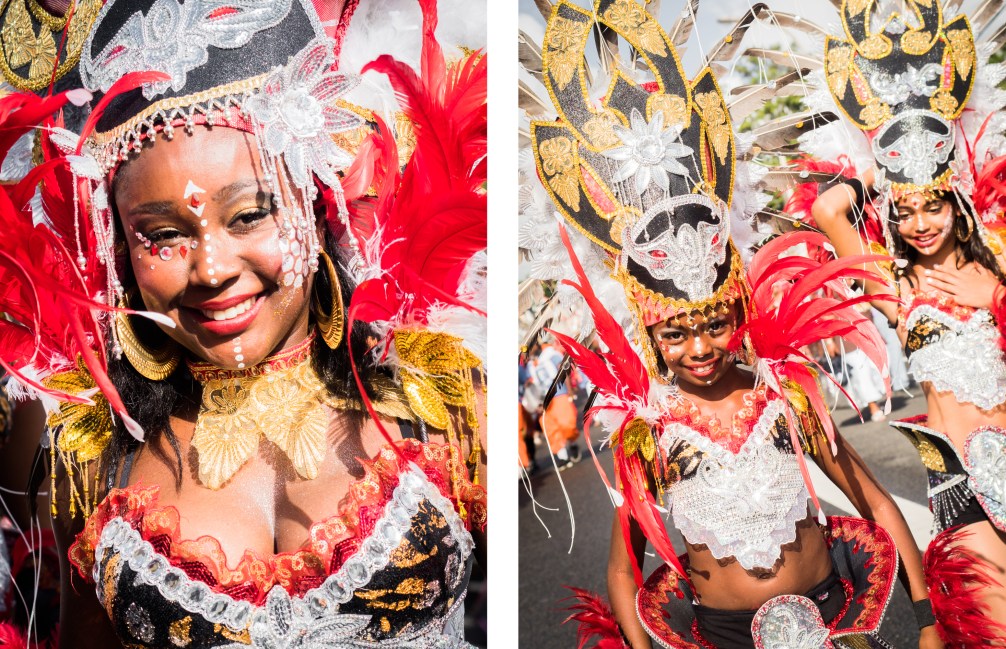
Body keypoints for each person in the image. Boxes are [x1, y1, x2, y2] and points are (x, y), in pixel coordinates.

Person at [0, 0, 487, 647]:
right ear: (120, 246)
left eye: (249, 215)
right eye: (164, 234)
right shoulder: (90, 456)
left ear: (319, 200)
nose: (210, 269)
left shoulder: (442, 398)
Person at [521, 1, 938, 646]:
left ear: (738, 307)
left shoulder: (786, 391)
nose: (700, 349)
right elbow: (623, 573)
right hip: (721, 632)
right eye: (676, 334)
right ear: (650, 334)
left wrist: (930, 621)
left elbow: (877, 503)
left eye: (714, 324)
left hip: (834, 612)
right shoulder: (648, 433)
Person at [805, 0, 1006, 643]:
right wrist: (888, 159)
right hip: (956, 481)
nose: (920, 223)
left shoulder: (997, 264)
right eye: (907, 210)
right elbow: (829, 208)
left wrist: (998, 295)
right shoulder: (896, 288)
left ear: (959, 202)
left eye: (934, 206)